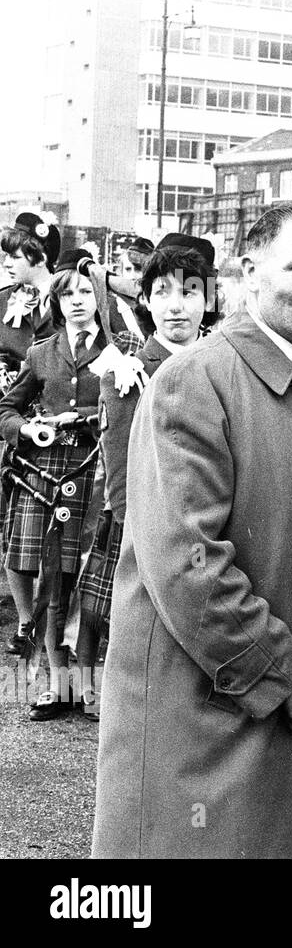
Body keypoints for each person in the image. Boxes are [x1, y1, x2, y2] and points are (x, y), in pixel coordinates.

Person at [92, 203, 292, 858]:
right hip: (209, 727)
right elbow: (187, 564)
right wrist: (286, 675)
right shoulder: (192, 382)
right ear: (250, 272)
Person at [75, 235, 220, 721]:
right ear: (145, 300)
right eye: (162, 292)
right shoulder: (129, 372)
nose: (176, 306)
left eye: (190, 291)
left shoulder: (225, 365)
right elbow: (121, 478)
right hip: (151, 534)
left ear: (210, 298)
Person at [0, 250, 109, 719]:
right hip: (44, 472)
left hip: (92, 469)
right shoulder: (40, 352)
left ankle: (85, 688)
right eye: (67, 294)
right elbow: (7, 408)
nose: (77, 301)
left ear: (99, 298)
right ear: (57, 301)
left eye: (86, 292)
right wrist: (26, 429)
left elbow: (126, 407)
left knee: (83, 583)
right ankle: (57, 686)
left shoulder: (117, 351)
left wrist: (79, 417)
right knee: (49, 581)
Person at [0, 212, 60, 378]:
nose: (6, 263)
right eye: (6, 256)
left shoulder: (70, 299)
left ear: (41, 260)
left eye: (15, 257)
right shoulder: (3, 300)